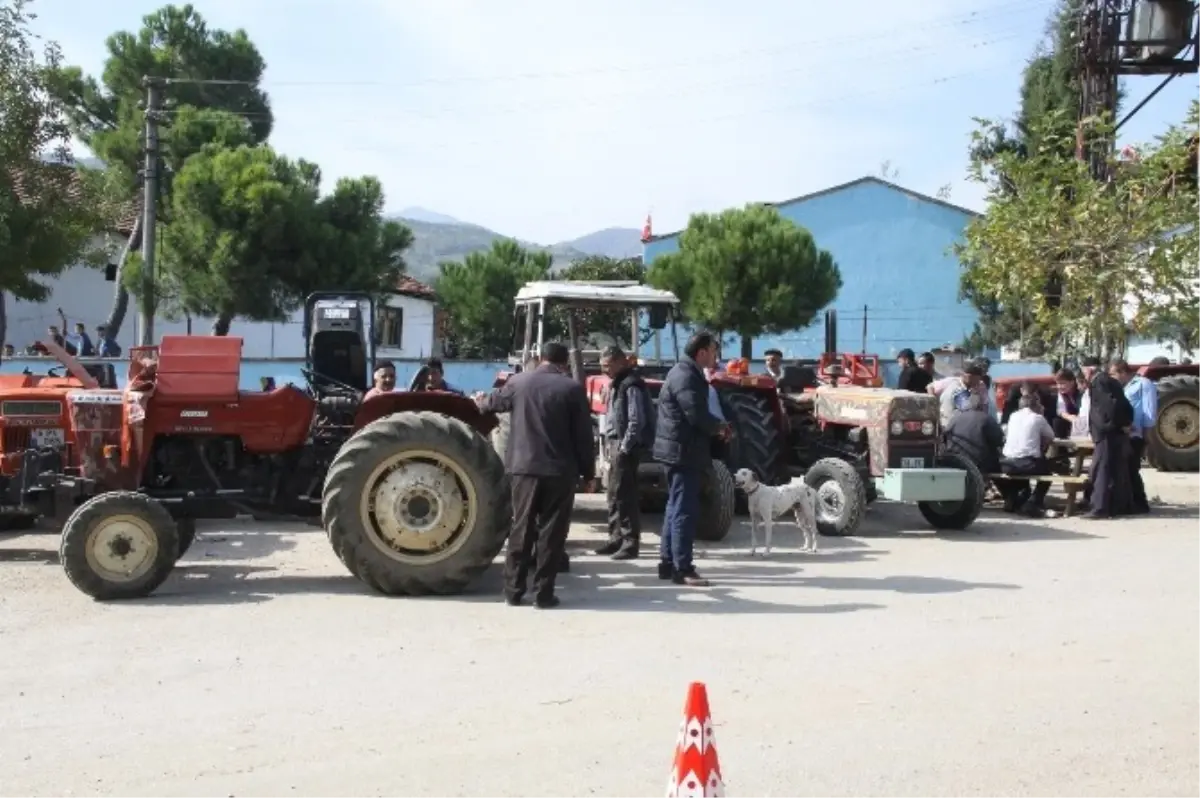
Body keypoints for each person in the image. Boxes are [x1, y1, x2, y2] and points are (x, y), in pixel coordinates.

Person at [476, 342, 594, 608]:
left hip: (524, 468)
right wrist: (589, 473)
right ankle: (543, 593)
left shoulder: (519, 382)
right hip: (559, 471)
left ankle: (513, 591)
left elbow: (493, 403)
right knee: (552, 532)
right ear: (564, 363)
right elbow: (583, 436)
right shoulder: (572, 388)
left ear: (541, 358)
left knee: (522, 527)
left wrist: (480, 401)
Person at [654, 331, 731, 587]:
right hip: (683, 452)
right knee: (685, 510)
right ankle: (682, 568)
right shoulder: (687, 375)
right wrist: (720, 428)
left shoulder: (684, 372)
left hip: (678, 450)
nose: (715, 356)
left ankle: (668, 562)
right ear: (701, 353)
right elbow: (696, 414)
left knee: (675, 507)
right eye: (713, 351)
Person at [593, 346, 652, 560]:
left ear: (620, 362)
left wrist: (625, 448)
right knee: (613, 495)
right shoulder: (615, 384)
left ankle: (630, 542)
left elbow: (636, 421)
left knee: (625, 495)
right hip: (612, 443)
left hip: (624, 447)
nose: (605, 370)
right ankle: (615, 538)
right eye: (603, 367)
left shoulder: (631, 385)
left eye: (608, 366)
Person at [1080, 356, 1135, 519]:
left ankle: (1100, 507)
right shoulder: (1111, 382)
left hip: (1106, 433)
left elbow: (1110, 406)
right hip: (1113, 432)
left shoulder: (1099, 382)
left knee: (1101, 470)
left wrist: (1111, 424)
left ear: (1089, 369)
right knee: (1112, 469)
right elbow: (1125, 405)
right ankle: (1119, 505)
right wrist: (1124, 423)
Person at [1110, 359, 1157, 515]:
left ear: (1123, 372)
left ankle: (1140, 502)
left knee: (1132, 469)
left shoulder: (1143, 384)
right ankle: (1127, 501)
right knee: (1124, 469)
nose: (1112, 377)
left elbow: (1149, 411)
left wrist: (1147, 435)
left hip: (1136, 433)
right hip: (1124, 432)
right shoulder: (1122, 387)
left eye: (1113, 374)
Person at [999, 393, 1056, 515]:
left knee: (1020, 471)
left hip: (1006, 463)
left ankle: (1013, 499)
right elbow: (1051, 436)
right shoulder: (1037, 418)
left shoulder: (1013, 416)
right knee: (1047, 474)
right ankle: (1033, 502)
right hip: (1026, 463)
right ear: (1036, 405)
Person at [942, 392, 1004, 475]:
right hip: (979, 464)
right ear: (981, 405)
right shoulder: (986, 418)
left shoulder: (955, 418)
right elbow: (999, 440)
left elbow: (945, 437)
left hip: (955, 463)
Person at [929, 362, 985, 427]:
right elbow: (930, 386)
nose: (978, 382)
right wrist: (934, 405)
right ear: (966, 375)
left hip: (961, 427)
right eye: (975, 379)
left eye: (979, 379)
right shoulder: (951, 382)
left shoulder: (977, 388)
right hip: (946, 423)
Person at [1053, 368, 1087, 439]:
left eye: (1062, 383)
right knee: (1057, 422)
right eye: (1057, 384)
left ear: (1072, 382)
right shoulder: (1061, 394)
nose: (1059, 387)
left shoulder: (1080, 390)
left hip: (1083, 419)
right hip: (1071, 419)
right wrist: (1070, 417)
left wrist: (1078, 418)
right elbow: (1061, 410)